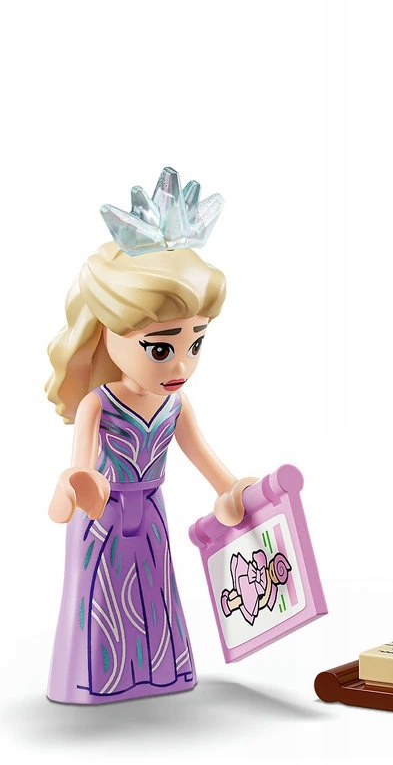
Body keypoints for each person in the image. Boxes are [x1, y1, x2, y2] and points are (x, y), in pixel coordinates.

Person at [45, 168, 254, 703]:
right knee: (103, 596)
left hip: (152, 512)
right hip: (104, 516)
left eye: (195, 344)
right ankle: (98, 682)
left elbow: (207, 461)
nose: (182, 364)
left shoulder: (176, 405)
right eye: (161, 348)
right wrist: (74, 488)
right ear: (108, 333)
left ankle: (162, 674)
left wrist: (234, 491)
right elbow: (79, 469)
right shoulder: (97, 404)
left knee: (156, 588)